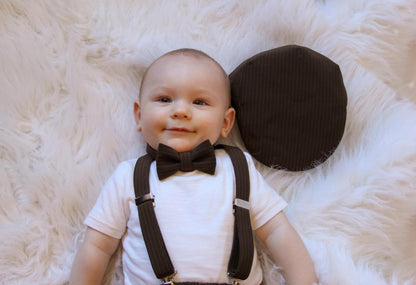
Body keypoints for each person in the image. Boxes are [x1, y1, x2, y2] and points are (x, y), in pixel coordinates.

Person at [69, 48, 318, 285]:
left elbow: (277, 231)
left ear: (226, 122)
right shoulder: (129, 176)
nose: (180, 111)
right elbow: (97, 246)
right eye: (164, 99)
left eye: (199, 102)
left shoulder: (239, 167)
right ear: (139, 114)